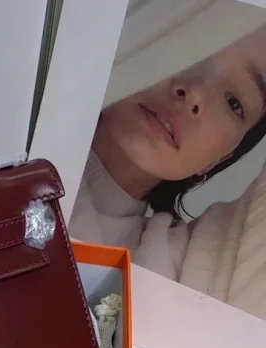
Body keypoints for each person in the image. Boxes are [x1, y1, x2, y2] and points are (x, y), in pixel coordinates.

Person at [70, 27, 266, 319]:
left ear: (220, 158)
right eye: (190, 43)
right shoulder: (15, 130)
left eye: (233, 102)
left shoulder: (171, 270)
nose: (195, 93)